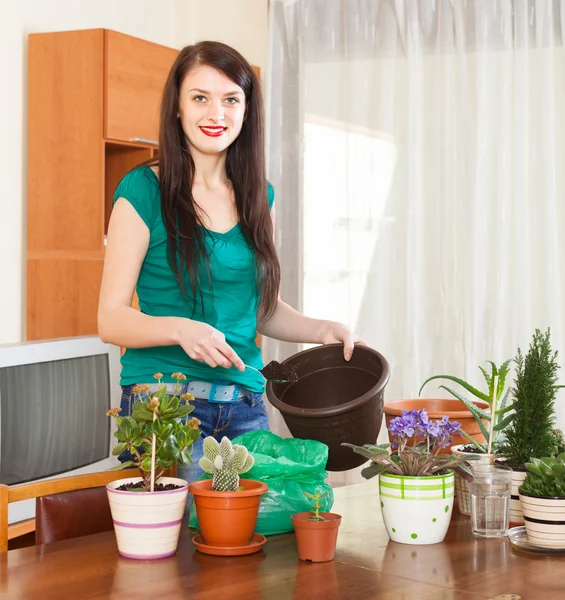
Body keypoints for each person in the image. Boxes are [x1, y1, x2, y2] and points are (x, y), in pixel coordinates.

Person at [98, 41, 365, 484]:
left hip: (244, 406)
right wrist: (181, 329)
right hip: (166, 405)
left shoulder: (260, 196)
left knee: (252, 548)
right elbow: (110, 319)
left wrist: (322, 331)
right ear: (177, 108)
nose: (215, 113)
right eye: (199, 98)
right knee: (179, 549)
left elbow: (262, 308)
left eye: (230, 99)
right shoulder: (143, 190)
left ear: (246, 110)